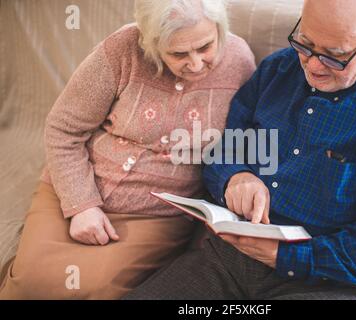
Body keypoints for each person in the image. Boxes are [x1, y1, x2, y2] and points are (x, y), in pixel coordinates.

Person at [123, 0, 356, 300]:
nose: (313, 66)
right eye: (306, 44)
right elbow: (226, 150)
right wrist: (236, 178)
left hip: (331, 280)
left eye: (334, 55)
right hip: (235, 257)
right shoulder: (277, 70)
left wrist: (289, 256)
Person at [0, 0, 256, 299]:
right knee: (31, 282)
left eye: (205, 47)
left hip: (156, 213)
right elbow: (63, 128)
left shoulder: (239, 61)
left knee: (98, 288)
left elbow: (243, 142)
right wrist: (81, 205)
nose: (196, 63)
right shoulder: (122, 49)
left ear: (220, 30)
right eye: (178, 53)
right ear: (150, 43)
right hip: (72, 186)